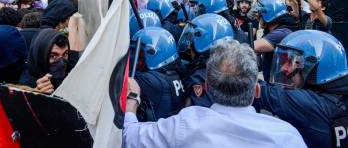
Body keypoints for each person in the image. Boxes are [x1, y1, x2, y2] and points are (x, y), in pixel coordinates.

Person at [123, 40, 306, 148]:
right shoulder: (287, 136)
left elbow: (129, 137)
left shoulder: (186, 123)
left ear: (207, 87)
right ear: (256, 91)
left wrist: (132, 103)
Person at [258, 30, 348, 148]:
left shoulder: (309, 104)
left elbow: (256, 90)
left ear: (312, 67)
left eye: (291, 62)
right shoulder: (336, 95)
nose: (283, 68)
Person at [130, 27, 188, 121]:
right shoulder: (178, 71)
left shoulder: (152, 81)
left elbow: (121, 73)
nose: (137, 62)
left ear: (153, 55)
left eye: (140, 56)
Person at [178, 13, 234, 107]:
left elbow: (199, 115)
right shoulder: (238, 66)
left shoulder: (201, 75)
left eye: (192, 43)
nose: (189, 47)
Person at [253, 0, 297, 82]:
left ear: (267, 15)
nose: (257, 17)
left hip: (279, 87)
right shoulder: (276, 31)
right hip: (273, 82)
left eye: (259, 14)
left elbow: (252, 46)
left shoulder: (281, 33)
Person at [19, 28, 71, 94]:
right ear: (40, 57)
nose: (61, 63)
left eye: (65, 54)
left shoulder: (68, 75)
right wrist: (36, 94)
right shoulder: (26, 86)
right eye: (53, 56)